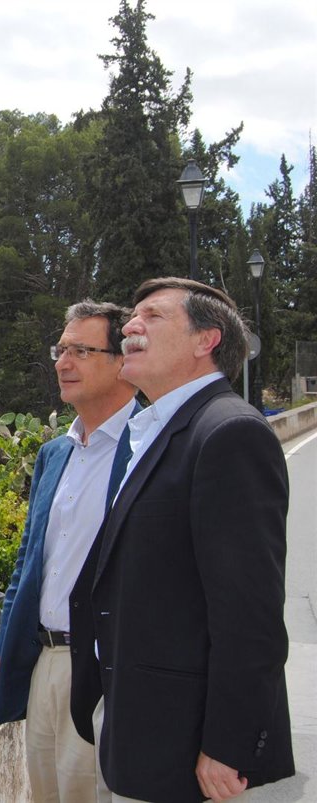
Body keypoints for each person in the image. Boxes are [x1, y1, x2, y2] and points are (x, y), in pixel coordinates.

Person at [69, 277, 293, 802]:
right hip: (142, 731)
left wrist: (228, 744)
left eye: (153, 315)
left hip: (190, 754)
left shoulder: (229, 433)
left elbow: (251, 614)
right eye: (133, 315)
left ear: (206, 340)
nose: (131, 325)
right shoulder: (164, 431)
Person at [0, 300, 139, 802]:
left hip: (104, 666)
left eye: (81, 351)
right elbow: (29, 561)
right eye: (60, 350)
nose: (62, 362)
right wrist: (3, 645)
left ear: (122, 361)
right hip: (44, 661)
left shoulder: (149, 449)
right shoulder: (54, 453)